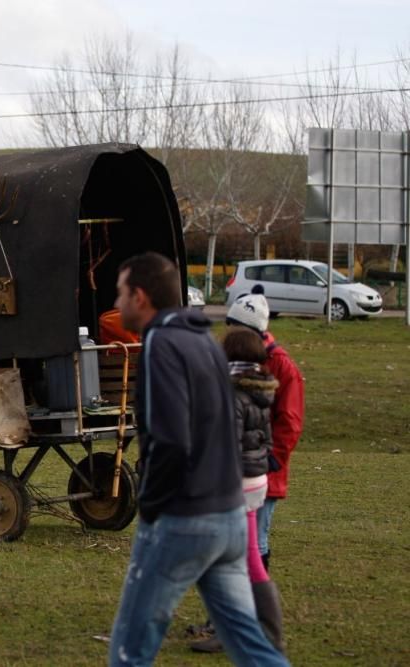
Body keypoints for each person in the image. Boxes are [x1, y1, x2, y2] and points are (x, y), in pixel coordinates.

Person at [108, 252, 288, 667]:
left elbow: (172, 439)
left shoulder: (160, 343)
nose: (117, 306)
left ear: (140, 296)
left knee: (129, 652)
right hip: (227, 517)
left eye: (120, 294)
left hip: (185, 519)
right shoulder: (203, 341)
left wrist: (150, 506)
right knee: (252, 647)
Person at [191, 327, 285, 653]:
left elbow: (226, 445)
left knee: (232, 560)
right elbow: (264, 439)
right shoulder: (262, 389)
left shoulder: (232, 394)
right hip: (256, 480)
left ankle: (235, 629)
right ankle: (262, 632)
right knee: (243, 558)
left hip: (235, 484)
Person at [225, 288, 305, 574]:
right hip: (242, 470)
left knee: (254, 544)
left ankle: (254, 613)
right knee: (238, 545)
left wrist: (271, 460)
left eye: (236, 328)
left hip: (263, 471)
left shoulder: (282, 367)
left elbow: (290, 422)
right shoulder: (236, 361)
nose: (230, 334)